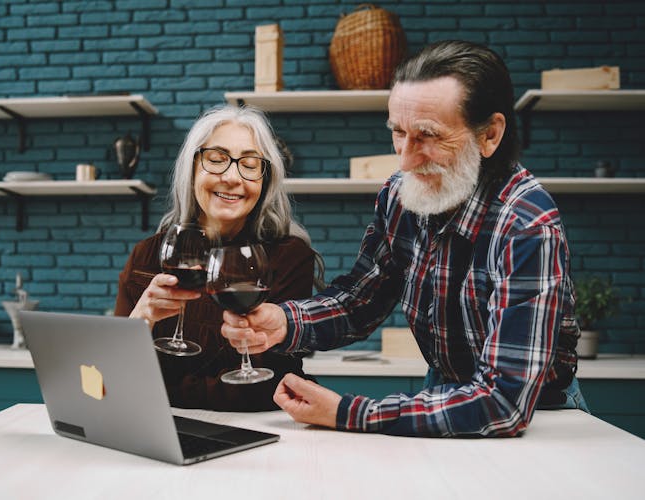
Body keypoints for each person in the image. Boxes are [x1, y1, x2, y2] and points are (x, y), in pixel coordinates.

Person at [221, 40, 587, 436]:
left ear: (490, 135)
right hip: (442, 396)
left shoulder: (527, 224)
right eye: (398, 132)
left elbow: (504, 402)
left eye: (427, 136)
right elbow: (359, 303)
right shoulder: (400, 195)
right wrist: (284, 323)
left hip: (540, 418)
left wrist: (350, 412)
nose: (406, 159)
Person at [115, 104, 324, 412]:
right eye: (216, 160)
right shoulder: (147, 255)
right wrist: (140, 321)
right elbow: (114, 376)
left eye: (250, 165)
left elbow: (265, 386)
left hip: (256, 433)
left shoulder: (288, 257)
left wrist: (158, 392)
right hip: (158, 429)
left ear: (264, 180)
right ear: (193, 168)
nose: (231, 177)